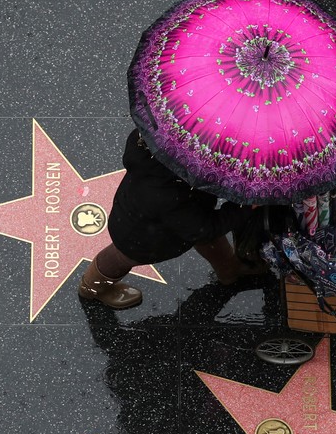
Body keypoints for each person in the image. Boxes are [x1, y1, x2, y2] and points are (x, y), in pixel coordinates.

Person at [79, 129, 265, 309]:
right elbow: (204, 229)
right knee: (120, 258)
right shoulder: (165, 194)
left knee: (210, 241)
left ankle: (229, 271)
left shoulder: (155, 142)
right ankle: (93, 288)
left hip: (176, 213)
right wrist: (244, 206)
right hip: (142, 239)